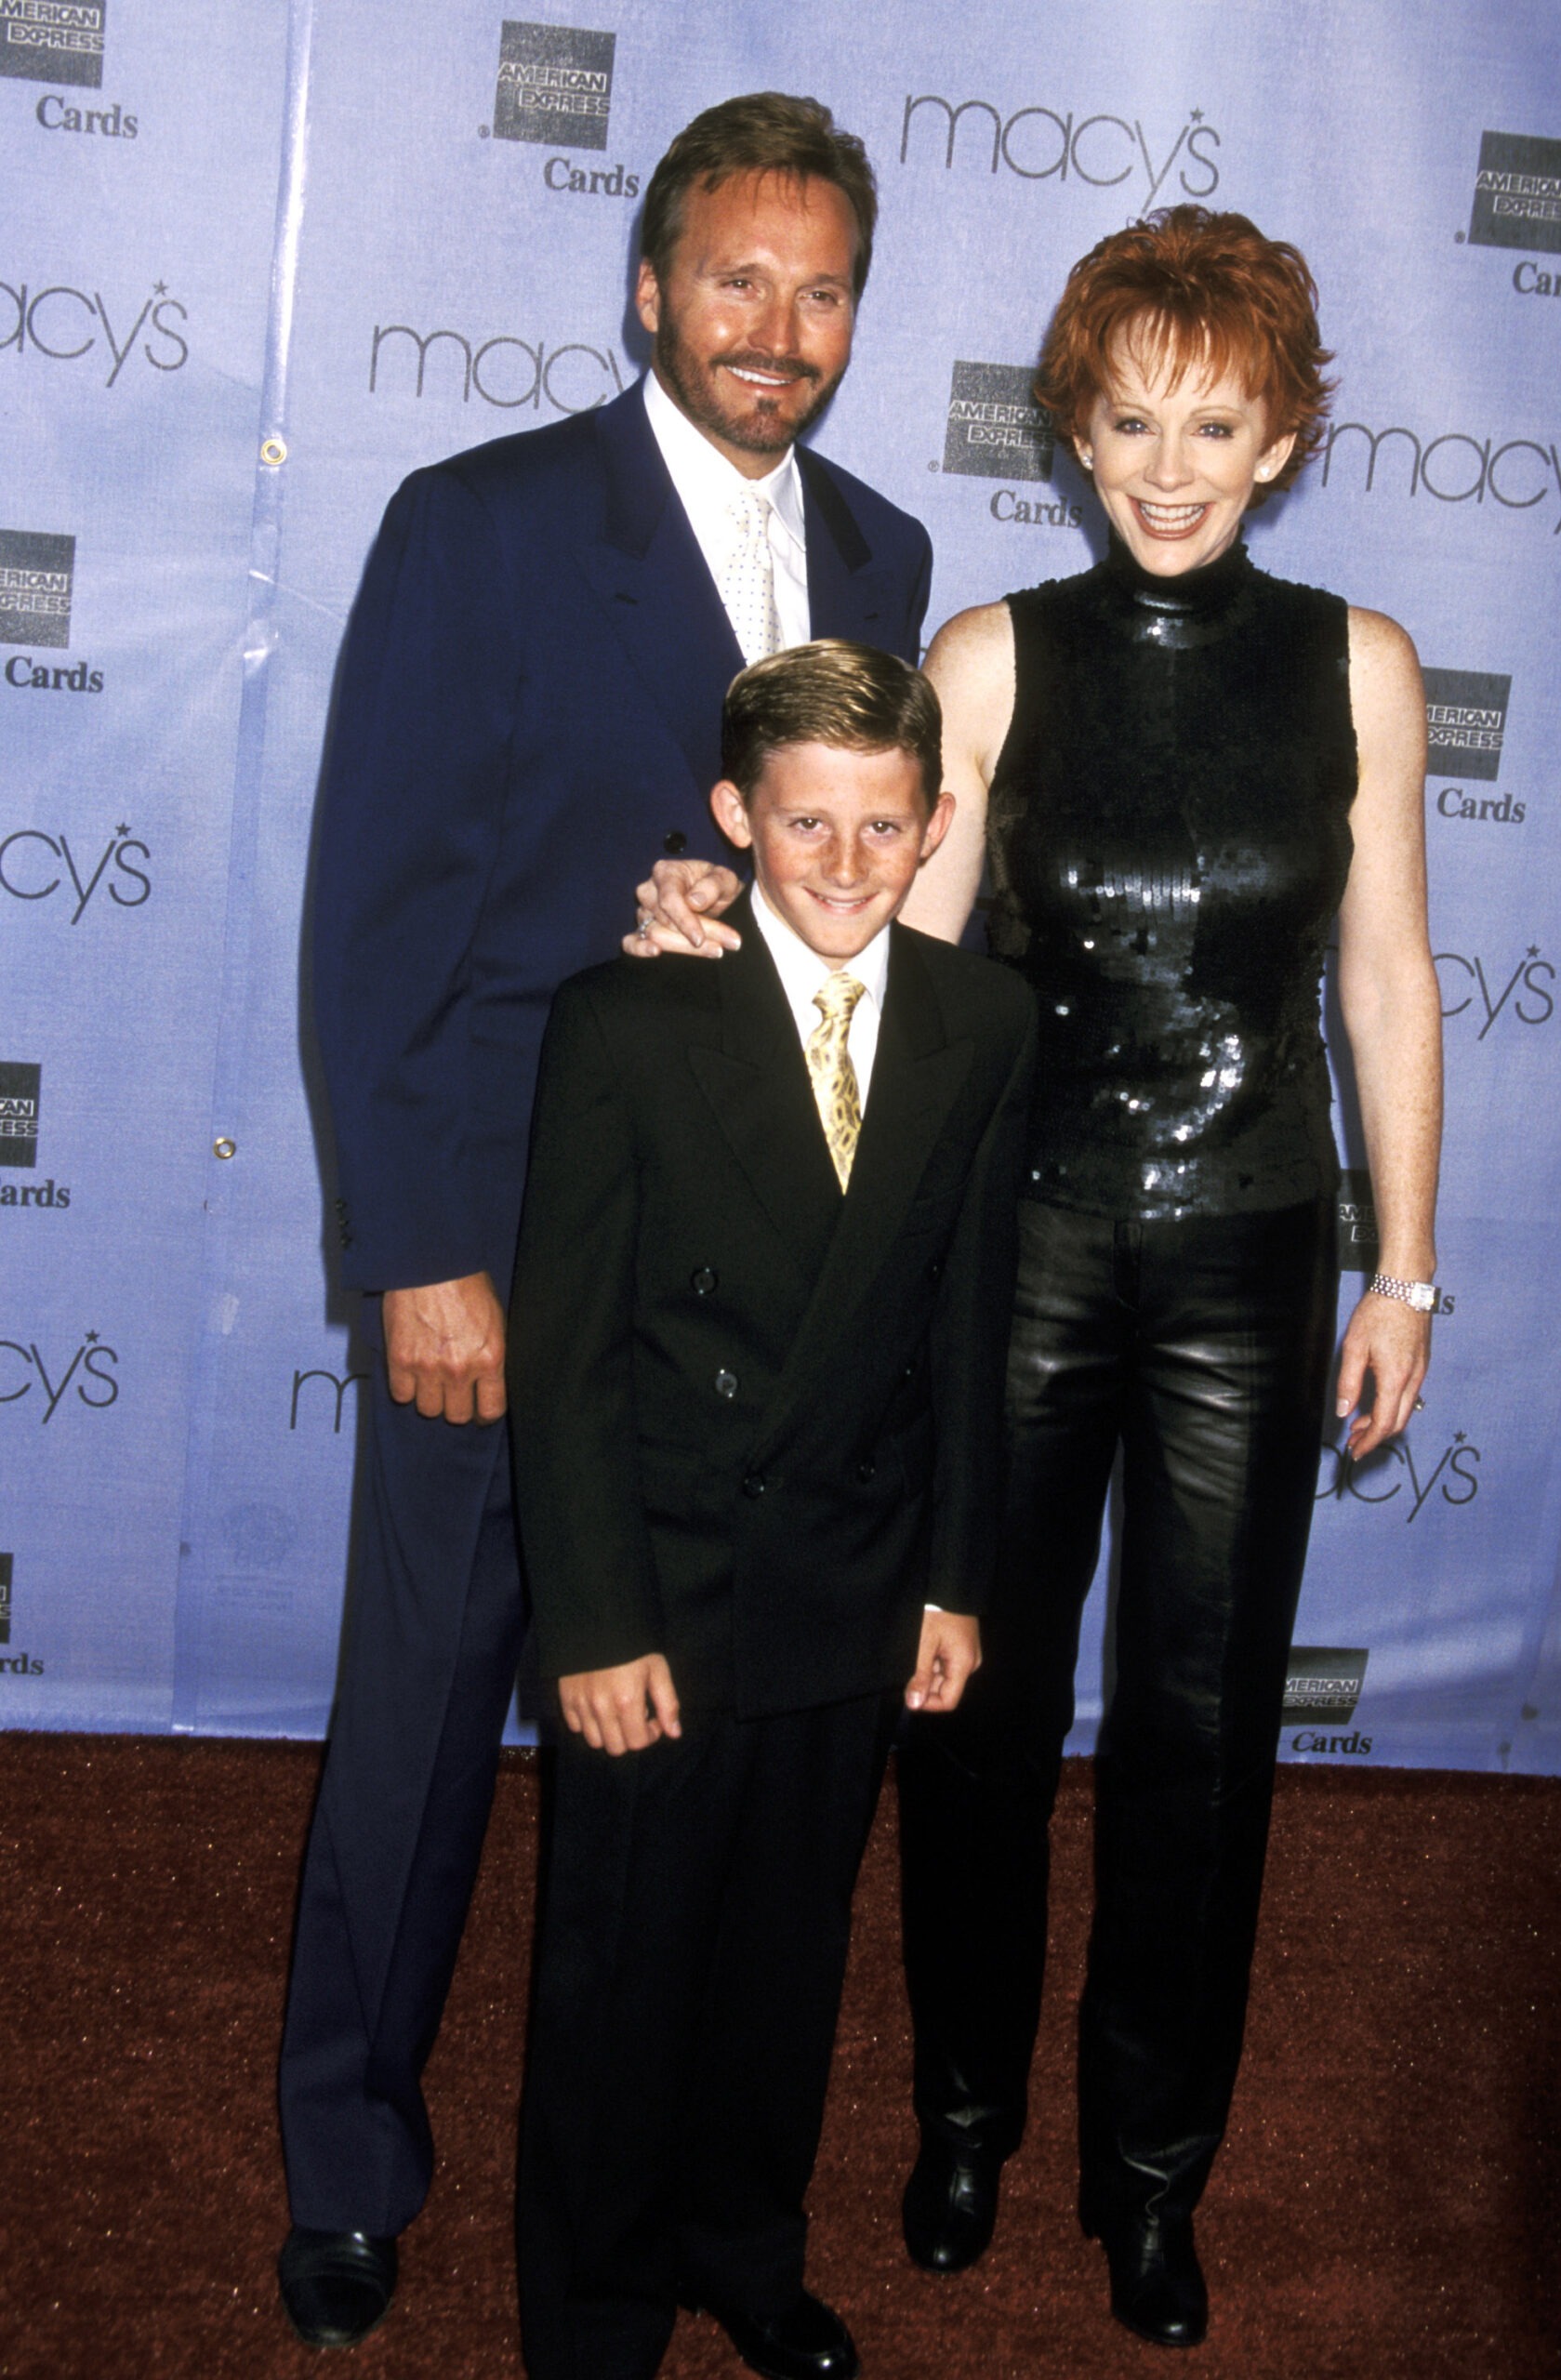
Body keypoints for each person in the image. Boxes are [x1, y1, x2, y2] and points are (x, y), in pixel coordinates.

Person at [633, 205, 1442, 2351]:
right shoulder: (989, 653)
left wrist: (1408, 1274)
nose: (1165, 464)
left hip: (1254, 1255)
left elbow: (1385, 984)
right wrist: (713, 934)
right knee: (972, 1718)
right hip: (1021, 1253)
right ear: (1072, 431)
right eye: (1124, 420)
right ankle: (972, 2113)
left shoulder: (1359, 663)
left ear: (1280, 435)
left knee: (1202, 1735)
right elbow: (895, 962)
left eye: (1214, 420)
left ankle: (1151, 2170)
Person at [277, 94, 934, 2352]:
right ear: (647, 286)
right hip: (510, 1249)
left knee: (682, 1783)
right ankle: (349, 2151)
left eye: (820, 287)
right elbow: (379, 923)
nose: (778, 329)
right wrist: (419, 1248)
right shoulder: (480, 525)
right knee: (421, 1719)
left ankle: (661, 2206)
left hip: (735, 1292)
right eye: (734, 278)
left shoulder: (882, 554)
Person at [506, 640, 1035, 2380]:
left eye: (884, 829)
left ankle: (745, 2248)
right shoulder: (625, 1021)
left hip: (850, 1574)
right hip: (660, 1579)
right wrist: (592, 1621)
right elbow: (570, 1351)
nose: (842, 865)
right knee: (621, 1969)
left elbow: (963, 1320)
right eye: (803, 824)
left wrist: (954, 1579)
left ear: (935, 821)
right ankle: (592, 2309)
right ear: (734, 817)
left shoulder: (978, 1024)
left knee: (784, 1964)